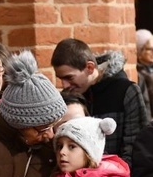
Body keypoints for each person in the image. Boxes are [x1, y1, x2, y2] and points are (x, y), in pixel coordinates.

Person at [51, 38, 147, 166]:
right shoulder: (69, 98)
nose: (65, 85)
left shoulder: (126, 91)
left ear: (90, 67)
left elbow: (135, 146)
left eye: (69, 77)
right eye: (61, 78)